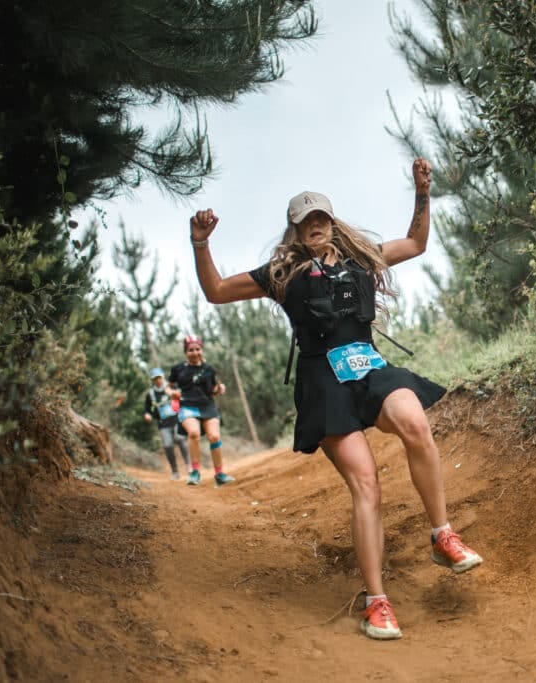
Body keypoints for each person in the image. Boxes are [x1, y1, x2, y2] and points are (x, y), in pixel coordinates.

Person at [188, 158, 482, 640]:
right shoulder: (281, 273)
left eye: (321, 217)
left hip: (367, 365)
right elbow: (217, 291)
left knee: (415, 423)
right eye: (306, 222)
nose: (316, 226)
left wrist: (422, 193)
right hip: (322, 380)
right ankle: (377, 602)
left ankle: (442, 535)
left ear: (332, 220)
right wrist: (201, 243)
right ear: (296, 230)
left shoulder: (361, 257)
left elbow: (416, 243)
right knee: (366, 483)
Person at [168, 335, 235, 487]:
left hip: (207, 405)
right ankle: (195, 472)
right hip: (187, 405)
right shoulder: (178, 369)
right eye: (191, 350)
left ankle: (219, 474)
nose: (195, 352)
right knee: (194, 433)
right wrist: (171, 394)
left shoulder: (209, 369)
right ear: (186, 351)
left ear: (201, 350)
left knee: (214, 436)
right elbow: (169, 386)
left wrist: (220, 388)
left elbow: (213, 389)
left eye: (197, 349)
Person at [143, 367, 190, 479]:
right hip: (163, 424)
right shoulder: (150, 394)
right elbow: (147, 409)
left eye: (159, 377)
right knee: (167, 445)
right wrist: (147, 415)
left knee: (180, 439)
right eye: (155, 379)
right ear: (152, 380)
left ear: (163, 377)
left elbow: (183, 398)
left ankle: (189, 466)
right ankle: (175, 472)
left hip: (177, 419)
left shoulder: (172, 387)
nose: (158, 380)